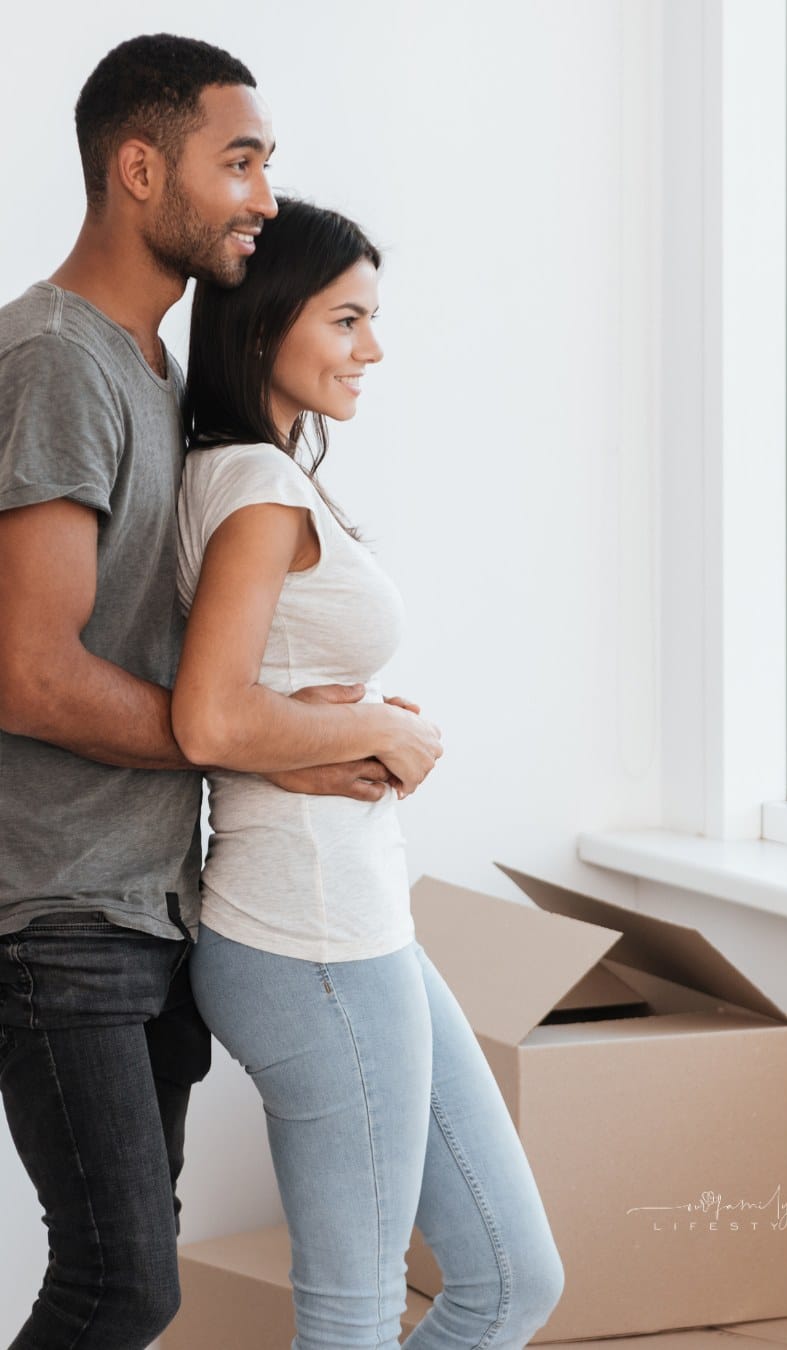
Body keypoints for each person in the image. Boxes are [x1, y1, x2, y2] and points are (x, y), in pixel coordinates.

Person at [0, 34, 429, 1350]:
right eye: (236, 159)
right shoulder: (58, 358)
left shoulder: (156, 371)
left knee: (129, 1277)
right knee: (121, 1284)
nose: (259, 192)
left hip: (147, 897)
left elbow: (196, 662)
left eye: (267, 164)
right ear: (139, 168)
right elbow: (30, 668)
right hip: (58, 906)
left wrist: (277, 723)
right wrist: (269, 748)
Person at [172, 195, 565, 1349]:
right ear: (265, 324)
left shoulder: (254, 477)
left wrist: (362, 726)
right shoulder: (254, 491)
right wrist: (378, 734)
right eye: (347, 321)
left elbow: (250, 695)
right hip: (310, 936)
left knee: (509, 1279)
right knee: (351, 1317)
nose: (372, 350)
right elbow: (209, 716)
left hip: (355, 923)